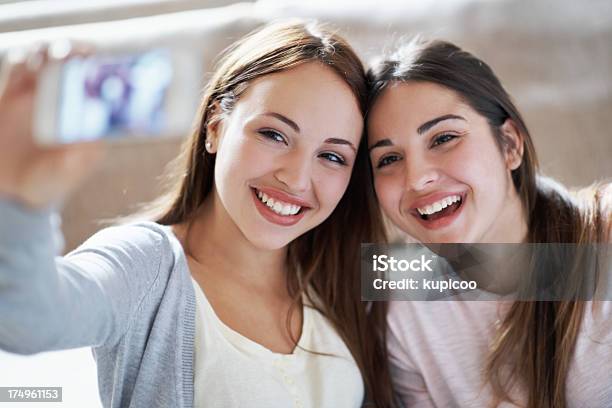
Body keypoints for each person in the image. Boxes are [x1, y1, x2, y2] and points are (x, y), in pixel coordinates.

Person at [0, 21, 395, 407]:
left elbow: (457, 274)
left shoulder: (348, 268)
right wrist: (22, 202)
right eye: (274, 134)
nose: (295, 178)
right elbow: (28, 318)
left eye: (331, 156)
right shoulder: (147, 265)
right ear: (215, 128)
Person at [366, 39, 611, 407]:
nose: (416, 179)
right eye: (388, 159)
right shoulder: (402, 316)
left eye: (444, 138)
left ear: (510, 144)